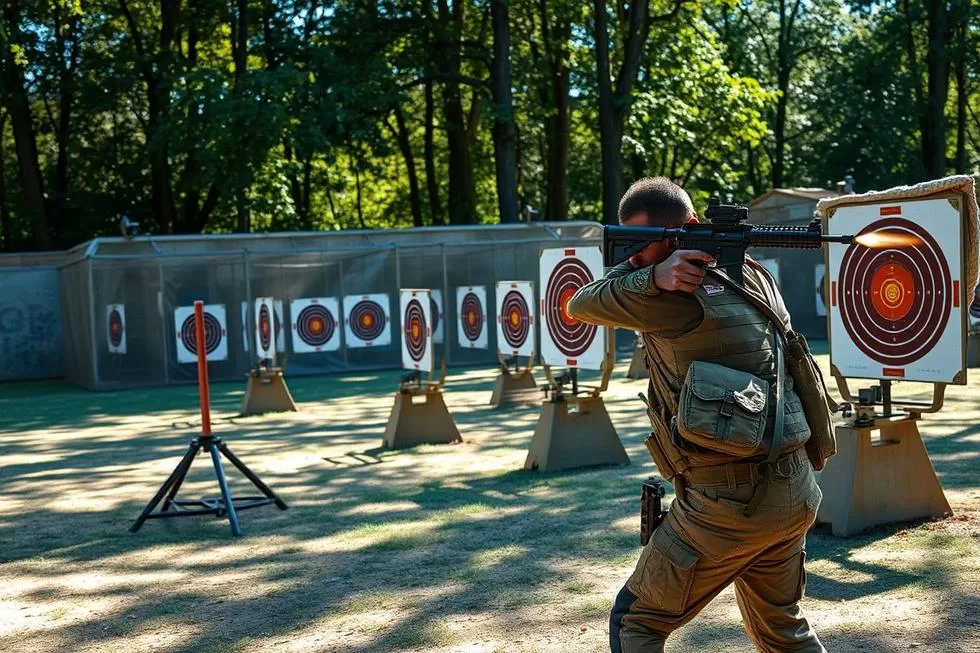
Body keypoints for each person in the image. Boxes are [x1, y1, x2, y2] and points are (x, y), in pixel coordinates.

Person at [566, 177, 826, 653]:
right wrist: (658, 266)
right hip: (794, 488)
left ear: (687, 228)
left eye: (645, 244)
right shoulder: (752, 275)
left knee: (636, 623)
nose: (637, 256)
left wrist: (654, 278)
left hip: (727, 504)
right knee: (782, 630)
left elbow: (580, 303)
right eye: (630, 245)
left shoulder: (669, 299)